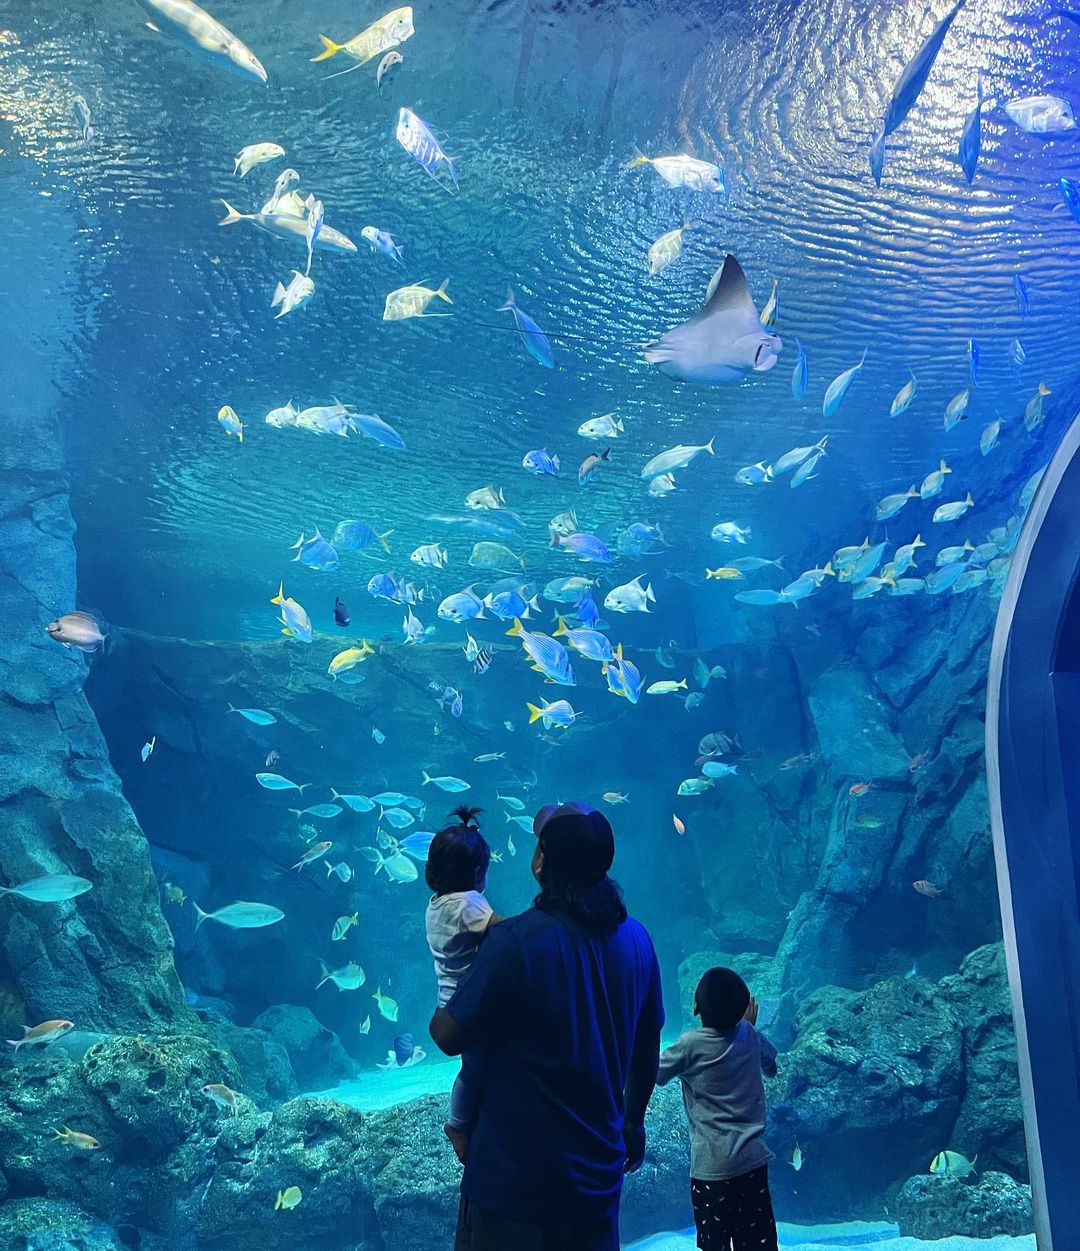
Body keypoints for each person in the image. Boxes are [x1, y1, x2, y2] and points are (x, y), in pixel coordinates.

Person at [429, 802, 664, 1251]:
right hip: (597, 1185)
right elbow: (646, 1042)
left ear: (540, 861)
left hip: (513, 1190)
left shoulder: (514, 942)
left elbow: (448, 1036)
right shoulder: (638, 940)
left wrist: (444, 989)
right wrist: (632, 1121)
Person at [657, 966, 779, 1251]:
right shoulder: (749, 1036)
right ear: (744, 1010)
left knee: (715, 1244)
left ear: (696, 1006)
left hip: (712, 1170)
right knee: (757, 1244)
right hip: (752, 1163)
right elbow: (771, 1067)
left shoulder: (689, 1045)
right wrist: (748, 1027)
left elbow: (655, 1074)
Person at [424, 804, 501, 1162]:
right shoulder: (469, 904)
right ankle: (458, 1123)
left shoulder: (435, 904)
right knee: (480, 1066)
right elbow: (503, 929)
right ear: (477, 872)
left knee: (470, 1068)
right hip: (472, 1005)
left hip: (447, 1000)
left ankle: (459, 1122)